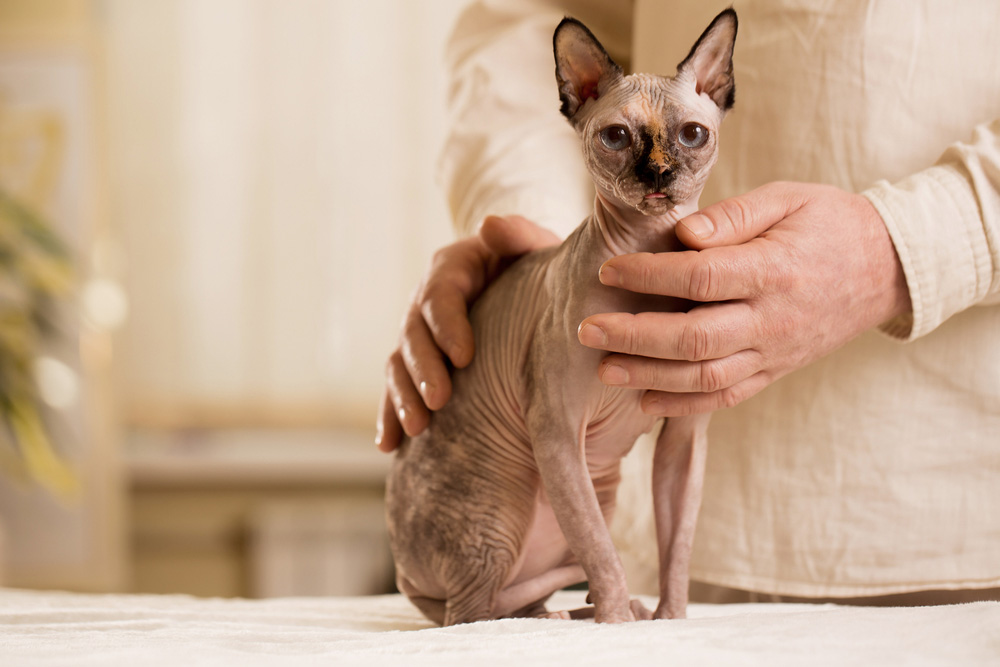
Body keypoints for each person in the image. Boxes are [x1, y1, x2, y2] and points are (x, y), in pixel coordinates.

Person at [378, 1, 1000, 604]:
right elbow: (526, 16)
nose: (658, 168)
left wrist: (903, 246)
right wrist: (536, 257)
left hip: (956, 510)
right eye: (623, 139)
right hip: (638, 544)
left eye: (691, 136)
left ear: (717, 86)